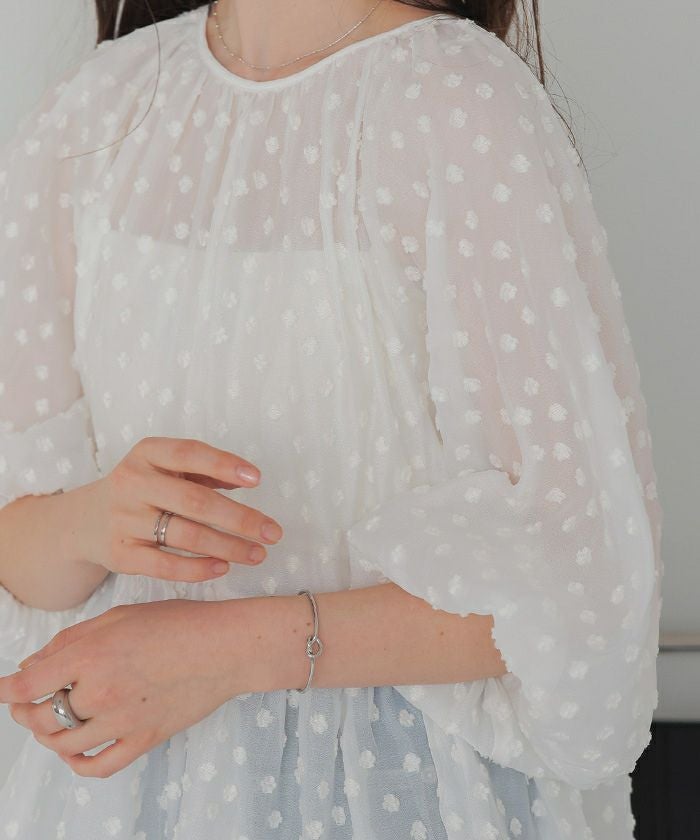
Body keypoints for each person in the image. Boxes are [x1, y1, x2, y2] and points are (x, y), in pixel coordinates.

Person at [0, 1, 663, 837]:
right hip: (120, 800)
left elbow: (583, 589)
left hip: (398, 793)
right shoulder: (96, 109)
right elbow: (20, 552)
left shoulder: (460, 104)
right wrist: (88, 522)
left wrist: (223, 652)